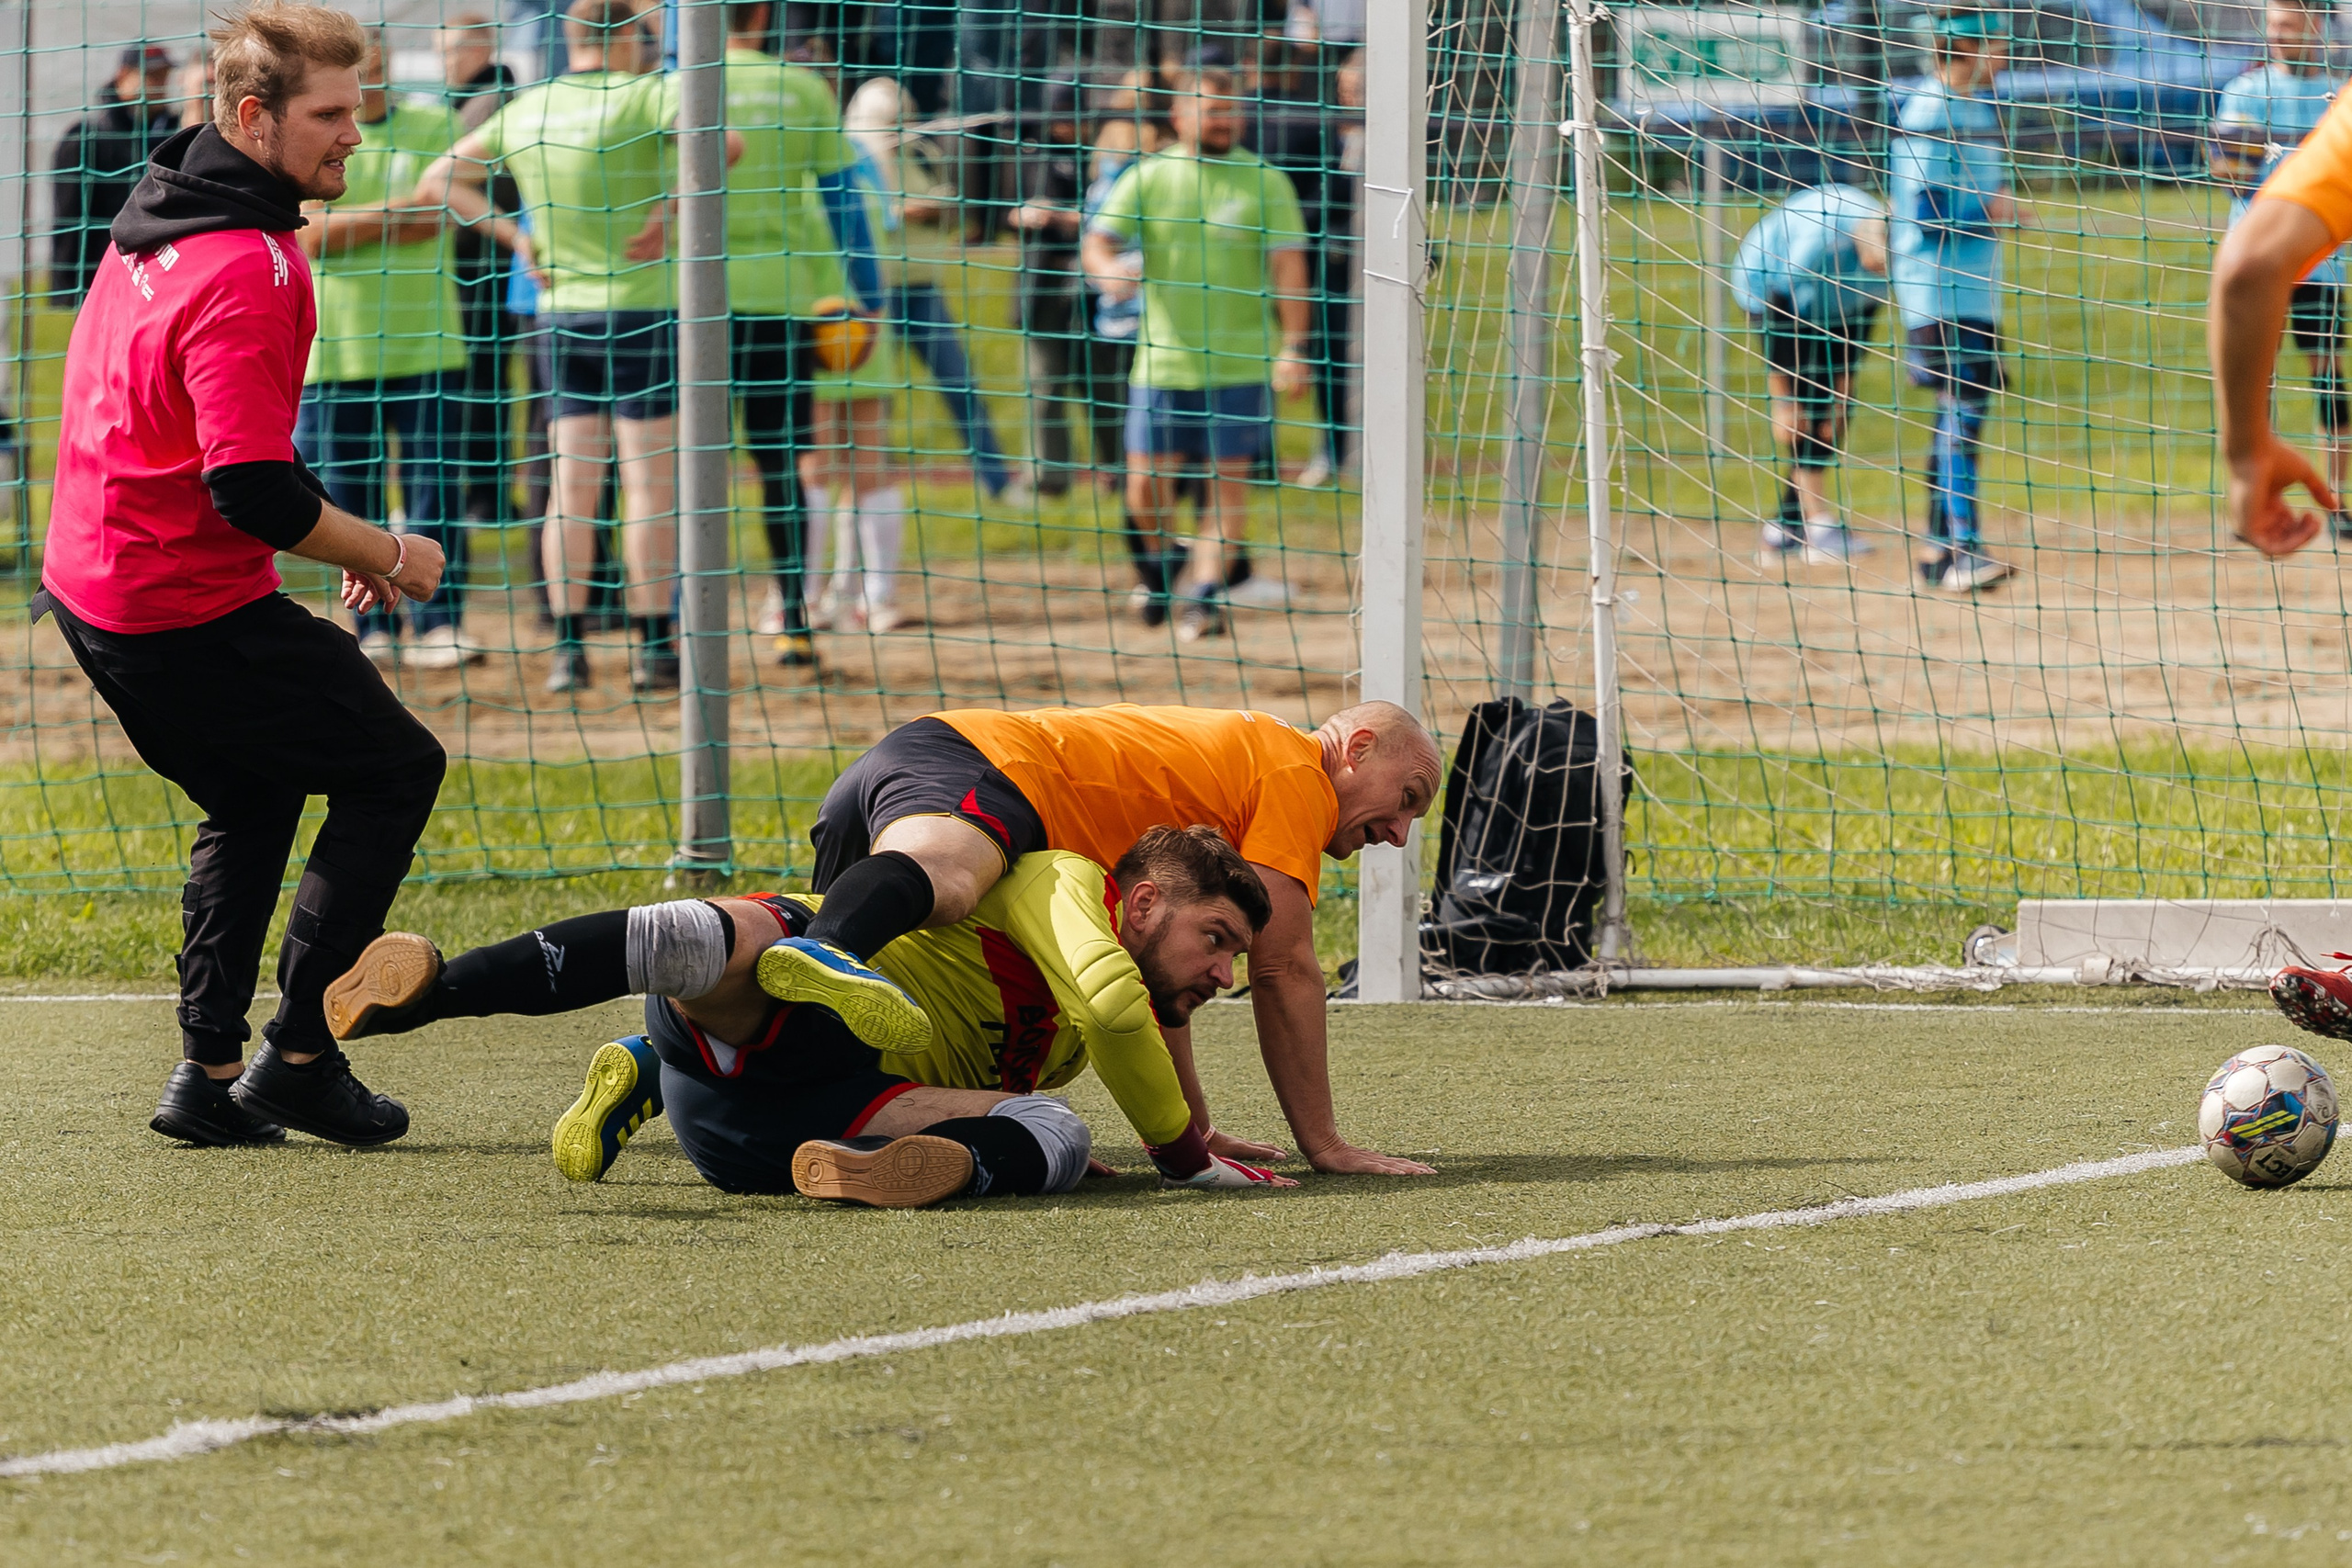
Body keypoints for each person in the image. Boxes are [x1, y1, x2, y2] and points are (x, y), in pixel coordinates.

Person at [40, 1, 447, 1150]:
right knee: (395, 769)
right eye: (328, 114)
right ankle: (301, 1061)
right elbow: (254, 494)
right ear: (252, 116)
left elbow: (220, 444)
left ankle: (208, 1074)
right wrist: (389, 554)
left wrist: (329, 539)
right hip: (175, 603)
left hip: (96, 590)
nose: (353, 137)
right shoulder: (256, 264)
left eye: (357, 108)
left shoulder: (160, 210)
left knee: (256, 791)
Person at [322, 826, 1292, 1203]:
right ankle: (433, 993)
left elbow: (1111, 1026)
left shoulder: (1081, 1032)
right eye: (1216, 940)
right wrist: (1185, 1156)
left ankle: (640, 1065)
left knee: (1055, 1125)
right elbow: (1117, 1004)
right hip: (825, 1047)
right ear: (1145, 904)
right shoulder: (1059, 882)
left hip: (777, 1124)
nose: (1221, 973)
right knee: (765, 938)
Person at [760, 701, 1444, 1176]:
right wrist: (1324, 1143)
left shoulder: (1250, 768)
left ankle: (659, 1060)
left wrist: (1191, 1128)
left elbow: (1163, 973)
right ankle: (825, 947)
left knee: (807, 1020)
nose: (1399, 833)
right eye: (1408, 796)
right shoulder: (1299, 773)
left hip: (930, 755)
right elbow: (1283, 969)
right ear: (1355, 750)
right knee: (944, 884)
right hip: (983, 767)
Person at [414, 0, 741, 696]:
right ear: (628, 37)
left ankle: (570, 647)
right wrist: (667, 214)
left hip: (558, 318)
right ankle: (655, 648)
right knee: (651, 488)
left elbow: (439, 178)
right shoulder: (653, 89)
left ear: (570, 38)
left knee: (570, 487)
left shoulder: (531, 106)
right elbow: (728, 143)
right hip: (645, 309)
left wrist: (517, 237)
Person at [1080, 62, 1312, 641]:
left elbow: (1289, 269)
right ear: (1180, 117)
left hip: (1240, 363)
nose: (1225, 121)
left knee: (1225, 488)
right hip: (1162, 362)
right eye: (1213, 111)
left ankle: (1204, 597)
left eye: (1232, 111)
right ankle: (1165, 573)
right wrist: (1109, 272)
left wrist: (1294, 347)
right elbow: (1098, 239)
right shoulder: (1151, 176)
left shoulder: (1264, 180)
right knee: (1143, 490)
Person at [295, 29, 482, 670]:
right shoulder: (312, 133)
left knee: (437, 490)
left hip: (429, 343)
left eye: (375, 67)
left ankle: (439, 622)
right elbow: (307, 235)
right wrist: (393, 215)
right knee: (350, 497)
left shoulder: (435, 123)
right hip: (336, 350)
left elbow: (440, 211)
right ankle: (371, 626)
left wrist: (352, 221)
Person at [718, 0, 885, 669]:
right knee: (780, 463)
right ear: (760, 14)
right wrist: (868, 297)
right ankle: (793, 617)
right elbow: (845, 201)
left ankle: (656, 630)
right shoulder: (801, 85)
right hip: (779, 305)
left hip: (675, 305)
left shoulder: (664, 84)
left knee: (658, 472)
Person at [1887, 6, 2026, 593]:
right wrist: (1990, 211)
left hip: (1972, 292)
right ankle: (1962, 549)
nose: (2006, 56)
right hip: (1938, 291)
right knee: (1963, 414)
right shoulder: (1931, 110)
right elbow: (1924, 215)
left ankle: (1938, 554)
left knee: (1959, 416)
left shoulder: (1975, 107)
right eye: (1997, 45)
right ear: (1965, 50)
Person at [842, 76, 1026, 506]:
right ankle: (873, 487)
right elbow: (865, 216)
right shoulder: (853, 159)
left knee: (960, 386)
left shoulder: (918, 156)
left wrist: (936, 208)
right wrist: (905, 210)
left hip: (924, 290)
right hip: (876, 296)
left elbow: (944, 205)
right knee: (876, 399)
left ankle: (998, 482)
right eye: (891, 119)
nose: (902, 125)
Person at [2212, 0, 2352, 539]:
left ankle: (2338, 503)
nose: (2278, 34)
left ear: (2317, 27)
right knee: (2254, 380)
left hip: (2322, 267)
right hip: (2260, 258)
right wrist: (2247, 152)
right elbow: (2228, 174)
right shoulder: (2246, 91)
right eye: (2272, 25)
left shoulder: (2336, 94)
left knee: (2328, 376)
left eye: (2290, 25)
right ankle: (2255, 479)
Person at [1730, 180, 1890, 564]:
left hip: (1839, 306)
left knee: (1833, 417)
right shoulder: (1818, 240)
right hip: (1775, 298)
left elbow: (1868, 309)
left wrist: (1844, 390)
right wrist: (1782, 396)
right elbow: (1776, 304)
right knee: (1801, 415)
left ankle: (1785, 526)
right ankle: (1818, 525)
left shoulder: (1886, 248)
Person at [437, 15, 526, 532]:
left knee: (485, 382)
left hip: (488, 263)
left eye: (453, 49)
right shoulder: (466, 98)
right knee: (476, 383)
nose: (446, 60)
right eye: (440, 51)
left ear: (483, 46)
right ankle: (483, 493)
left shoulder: (492, 96)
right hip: (470, 260)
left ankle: (488, 495)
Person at [1008, 78, 1091, 500]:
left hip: (1091, 285)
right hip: (1042, 283)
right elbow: (1004, 211)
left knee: (1103, 382)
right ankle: (1049, 477)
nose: (1064, 123)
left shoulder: (1095, 155)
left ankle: (1119, 470)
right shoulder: (1030, 153)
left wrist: (1071, 217)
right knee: (1045, 384)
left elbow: (1102, 215)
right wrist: (1027, 215)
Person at [49, 44, 179, 305]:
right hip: (101, 278)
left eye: (164, 75)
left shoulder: (175, 132)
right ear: (123, 75)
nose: (159, 84)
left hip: (159, 273)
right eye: (150, 75)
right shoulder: (86, 136)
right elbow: (68, 217)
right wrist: (68, 288)